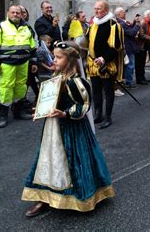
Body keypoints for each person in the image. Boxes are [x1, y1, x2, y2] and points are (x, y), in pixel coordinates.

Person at [22, 41, 114, 217]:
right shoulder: (55, 78)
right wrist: (40, 109)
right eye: (54, 56)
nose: (54, 60)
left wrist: (65, 114)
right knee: (48, 159)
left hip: (73, 130)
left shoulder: (76, 82)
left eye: (58, 57)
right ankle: (43, 195)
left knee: (75, 161)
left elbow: (84, 105)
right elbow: (49, 99)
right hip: (53, 128)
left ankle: (80, 195)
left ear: (71, 60)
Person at [0, 5, 38, 128]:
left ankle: (18, 111)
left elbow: (32, 46)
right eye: (13, 12)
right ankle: (2, 115)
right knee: (6, 88)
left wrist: (34, 62)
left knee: (21, 87)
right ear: (8, 13)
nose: (15, 15)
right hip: (7, 64)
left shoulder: (27, 28)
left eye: (18, 13)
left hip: (23, 63)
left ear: (21, 14)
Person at [86, 0, 124, 129]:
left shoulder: (113, 25)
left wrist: (103, 59)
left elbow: (116, 47)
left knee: (108, 91)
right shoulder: (92, 24)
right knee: (96, 90)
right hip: (92, 63)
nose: (96, 11)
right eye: (95, 8)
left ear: (106, 10)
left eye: (99, 8)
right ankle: (98, 114)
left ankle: (108, 116)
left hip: (106, 64)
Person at [115, 7, 140, 89]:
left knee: (128, 65)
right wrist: (137, 25)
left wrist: (134, 22)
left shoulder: (121, 22)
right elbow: (132, 33)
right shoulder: (121, 23)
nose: (125, 13)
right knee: (130, 65)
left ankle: (127, 81)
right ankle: (129, 83)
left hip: (128, 46)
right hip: (128, 47)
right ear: (118, 14)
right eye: (123, 12)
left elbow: (128, 29)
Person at [135, 10, 150, 85]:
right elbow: (141, 35)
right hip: (140, 46)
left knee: (142, 63)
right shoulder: (143, 23)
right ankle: (140, 79)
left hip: (144, 46)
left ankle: (142, 78)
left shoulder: (147, 22)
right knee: (139, 64)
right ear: (148, 15)